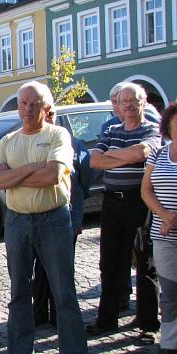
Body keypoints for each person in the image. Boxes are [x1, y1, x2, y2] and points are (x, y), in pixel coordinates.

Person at [0, 81, 87, 353]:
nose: (28, 109)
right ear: (18, 106)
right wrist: (33, 168)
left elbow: (52, 175)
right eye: (24, 103)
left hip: (53, 220)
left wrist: (14, 176)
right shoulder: (8, 141)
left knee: (63, 292)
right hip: (17, 222)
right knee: (19, 293)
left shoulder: (58, 136)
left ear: (46, 108)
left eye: (35, 104)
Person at [87, 83, 161, 339]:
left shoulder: (151, 129)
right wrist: (126, 156)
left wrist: (115, 155)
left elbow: (142, 151)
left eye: (133, 100)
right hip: (111, 203)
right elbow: (95, 160)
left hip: (138, 203)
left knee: (144, 263)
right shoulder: (111, 129)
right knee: (109, 263)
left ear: (143, 103)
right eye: (124, 101)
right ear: (117, 104)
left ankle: (147, 324)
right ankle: (106, 320)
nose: (128, 105)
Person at [32, 109, 94, 327]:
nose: (48, 118)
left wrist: (77, 219)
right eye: (45, 114)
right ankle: (39, 313)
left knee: (62, 270)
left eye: (51, 114)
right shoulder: (33, 143)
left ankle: (60, 316)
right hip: (38, 216)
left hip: (66, 217)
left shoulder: (74, 144)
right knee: (40, 267)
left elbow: (84, 181)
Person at [141, 102, 177, 353]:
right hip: (163, 234)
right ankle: (170, 342)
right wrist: (164, 215)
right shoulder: (160, 153)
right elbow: (146, 189)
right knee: (169, 292)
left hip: (170, 225)